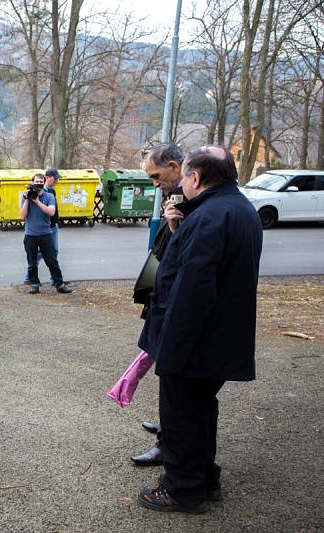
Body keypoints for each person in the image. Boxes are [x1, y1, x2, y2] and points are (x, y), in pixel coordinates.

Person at [136, 146, 263, 514]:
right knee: (200, 412)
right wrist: (177, 229)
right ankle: (205, 479)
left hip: (196, 341)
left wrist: (172, 351)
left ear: (194, 177)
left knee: (181, 418)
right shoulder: (239, 209)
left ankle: (182, 489)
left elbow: (193, 290)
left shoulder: (209, 216)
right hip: (218, 338)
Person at [130, 143, 186, 468]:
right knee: (166, 378)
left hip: (173, 308)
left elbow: (182, 256)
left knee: (173, 381)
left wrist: (176, 226)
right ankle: (166, 428)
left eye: (156, 175)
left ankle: (167, 442)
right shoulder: (174, 199)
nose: (154, 183)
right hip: (160, 301)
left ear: (175, 166)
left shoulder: (190, 202)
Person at [19, 173, 72, 295]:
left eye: (40, 182)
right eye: (36, 182)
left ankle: (59, 284)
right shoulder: (25, 196)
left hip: (46, 234)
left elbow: (51, 212)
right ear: (32, 183)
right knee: (32, 262)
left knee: (52, 261)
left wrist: (37, 202)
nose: (38, 184)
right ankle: (34, 284)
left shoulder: (49, 196)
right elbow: (22, 216)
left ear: (43, 182)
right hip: (30, 235)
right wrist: (28, 200)